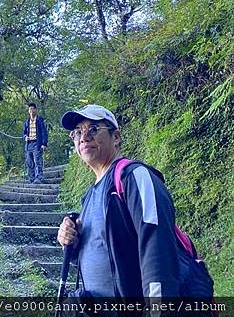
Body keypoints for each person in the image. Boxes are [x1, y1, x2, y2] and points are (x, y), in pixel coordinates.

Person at [57, 103, 195, 301]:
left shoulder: (134, 177)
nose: (84, 137)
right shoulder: (90, 196)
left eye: (94, 129)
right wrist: (72, 245)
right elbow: (103, 255)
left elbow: (158, 249)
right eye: (77, 132)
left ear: (116, 137)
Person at [23, 102, 48, 183]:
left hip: (37, 143)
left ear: (35, 110)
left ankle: (39, 178)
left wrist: (44, 143)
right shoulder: (27, 121)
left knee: (37, 160)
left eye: (33, 109)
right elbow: (24, 133)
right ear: (28, 111)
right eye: (30, 109)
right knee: (29, 162)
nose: (31, 110)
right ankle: (31, 178)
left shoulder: (39, 120)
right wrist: (25, 137)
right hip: (29, 144)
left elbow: (44, 132)